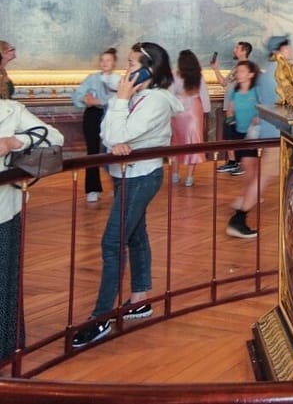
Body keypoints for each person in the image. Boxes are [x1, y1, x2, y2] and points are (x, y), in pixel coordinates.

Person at [71, 41, 183, 348]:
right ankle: (140, 300)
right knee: (135, 235)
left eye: (133, 65)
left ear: (150, 70)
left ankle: (100, 317)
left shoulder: (157, 100)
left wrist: (120, 108)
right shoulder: (134, 96)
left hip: (141, 177)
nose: (126, 70)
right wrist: (118, 128)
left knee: (112, 241)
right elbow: (107, 136)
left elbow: (116, 134)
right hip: (123, 174)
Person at [0, 99, 65, 361]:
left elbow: (55, 138)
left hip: (3, 212)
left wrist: (13, 142)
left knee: (4, 283)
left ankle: (6, 354)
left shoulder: (10, 110)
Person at [226, 36, 290, 239]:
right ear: (281, 50)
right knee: (263, 178)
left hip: (274, 131)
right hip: (276, 133)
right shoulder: (276, 73)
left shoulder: (271, 72)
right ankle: (239, 218)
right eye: (288, 47)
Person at [71, 47, 119, 203]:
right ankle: (92, 188)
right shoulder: (92, 78)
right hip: (93, 116)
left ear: (114, 63)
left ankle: (117, 185)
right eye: (102, 60)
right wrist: (86, 99)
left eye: (108, 60)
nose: (105, 63)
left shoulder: (119, 80)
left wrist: (100, 101)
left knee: (113, 150)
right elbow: (78, 96)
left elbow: (119, 100)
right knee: (92, 152)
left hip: (112, 116)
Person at [224, 60, 261, 239]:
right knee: (248, 169)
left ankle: (248, 197)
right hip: (239, 134)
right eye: (237, 71)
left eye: (242, 71)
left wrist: (257, 119)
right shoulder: (235, 92)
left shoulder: (256, 92)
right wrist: (230, 119)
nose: (238, 74)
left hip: (251, 135)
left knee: (250, 169)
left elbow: (263, 109)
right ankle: (247, 197)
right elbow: (230, 111)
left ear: (250, 74)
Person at [213, 41, 253, 177]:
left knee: (239, 135)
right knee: (229, 134)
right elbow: (225, 83)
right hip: (229, 106)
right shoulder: (236, 67)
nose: (234, 49)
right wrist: (215, 69)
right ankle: (232, 161)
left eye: (237, 48)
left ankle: (241, 163)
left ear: (244, 51)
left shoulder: (248, 68)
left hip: (239, 107)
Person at [170, 50, 205, 187]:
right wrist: (205, 110)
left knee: (176, 142)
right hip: (194, 110)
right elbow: (204, 97)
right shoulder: (198, 76)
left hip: (178, 110)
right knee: (193, 142)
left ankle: (175, 173)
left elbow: (170, 93)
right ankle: (189, 177)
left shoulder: (175, 75)